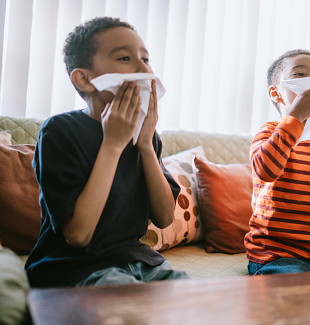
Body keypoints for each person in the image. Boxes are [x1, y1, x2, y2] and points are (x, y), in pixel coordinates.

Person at [25, 17, 189, 287]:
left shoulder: (146, 138)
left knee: (197, 297)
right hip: (74, 268)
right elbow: (78, 235)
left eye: (146, 60)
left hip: (140, 262)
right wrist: (112, 144)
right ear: (85, 79)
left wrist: (146, 146)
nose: (143, 69)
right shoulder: (59, 131)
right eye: (125, 58)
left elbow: (164, 217)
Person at [244, 49, 310, 275]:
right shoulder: (269, 132)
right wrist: (295, 118)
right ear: (276, 93)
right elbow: (265, 170)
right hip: (276, 255)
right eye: (300, 75)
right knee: (299, 291)